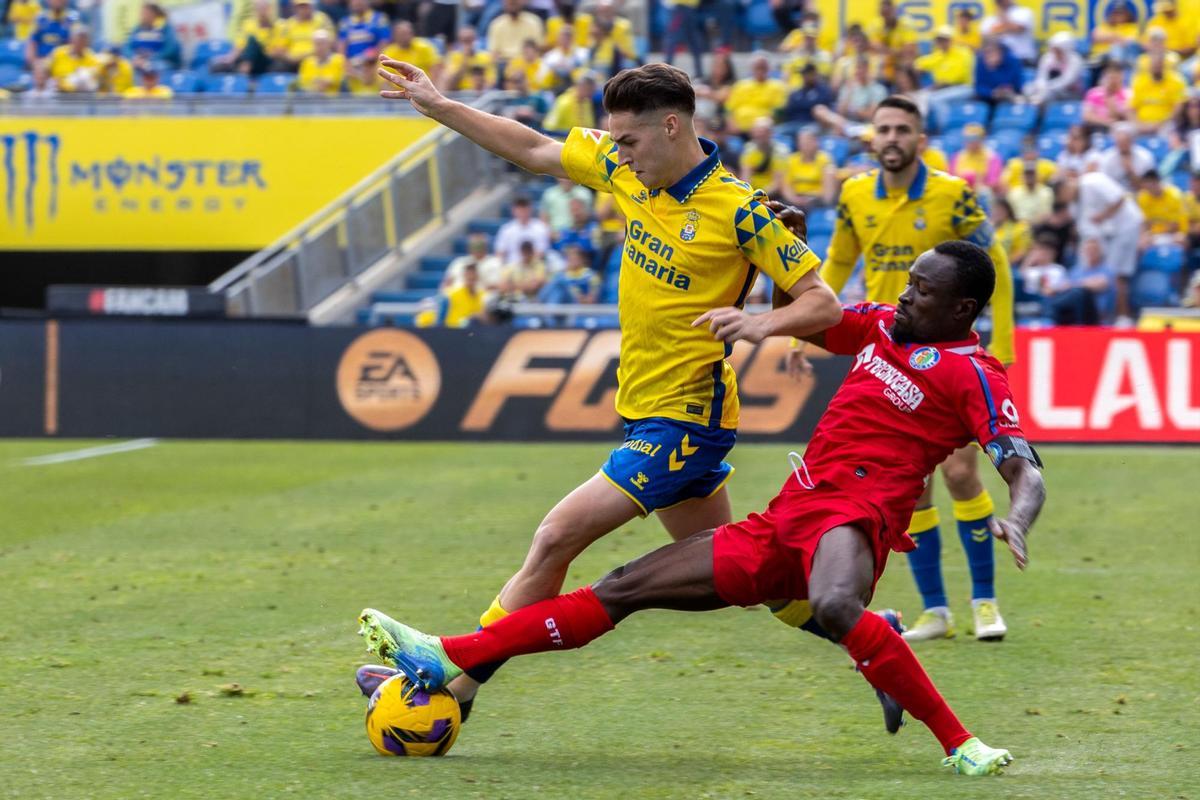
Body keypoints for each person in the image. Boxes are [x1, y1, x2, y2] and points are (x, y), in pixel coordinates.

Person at [357, 240, 1045, 777]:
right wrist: (786, 266)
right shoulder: (882, 328)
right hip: (784, 519)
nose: (904, 295)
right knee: (623, 588)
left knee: (835, 605)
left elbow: (1023, 467)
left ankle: (962, 742)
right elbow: (812, 324)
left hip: (855, 515)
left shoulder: (976, 374)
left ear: (961, 310)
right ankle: (446, 656)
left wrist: (1017, 515)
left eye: (923, 291)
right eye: (908, 282)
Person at [373, 58, 874, 726]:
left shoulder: (740, 212)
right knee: (748, 579)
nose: (620, 155)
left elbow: (824, 304)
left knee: (555, 539)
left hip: (684, 424)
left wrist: (760, 323)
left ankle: (449, 683)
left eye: (630, 141)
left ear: (671, 127)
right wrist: (440, 105)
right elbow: (531, 147)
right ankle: (878, 642)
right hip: (650, 410)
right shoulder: (625, 169)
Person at [791, 96, 1016, 643]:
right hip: (889, 349)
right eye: (883, 128)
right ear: (873, 138)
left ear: (920, 140)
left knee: (962, 473)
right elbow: (839, 261)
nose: (891, 137)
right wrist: (805, 320)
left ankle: (984, 602)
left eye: (902, 129)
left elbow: (997, 266)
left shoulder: (952, 195)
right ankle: (935, 611)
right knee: (912, 490)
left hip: (948, 359)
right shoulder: (852, 193)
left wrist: (1002, 347)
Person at [1065, 157, 1145, 323]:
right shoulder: (1074, 202)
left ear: (1069, 183)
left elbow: (1120, 198)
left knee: (1116, 274)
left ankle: (1123, 317)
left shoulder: (1093, 180)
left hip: (1126, 226)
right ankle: (1101, 318)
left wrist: (1103, 216)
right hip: (1109, 234)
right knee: (1105, 272)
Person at [915, 26, 974, 131]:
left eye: (945, 39)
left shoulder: (962, 53)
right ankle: (921, 128)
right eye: (939, 40)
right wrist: (918, 69)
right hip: (944, 89)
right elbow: (919, 63)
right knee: (920, 96)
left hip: (964, 87)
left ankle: (945, 129)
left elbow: (958, 77)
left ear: (951, 40)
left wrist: (941, 84)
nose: (942, 42)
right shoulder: (939, 55)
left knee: (936, 99)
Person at [725, 52, 788, 134]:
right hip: (738, 130)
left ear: (769, 69)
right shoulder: (740, 85)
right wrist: (732, 125)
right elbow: (729, 109)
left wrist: (760, 127)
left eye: (763, 68)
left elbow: (778, 111)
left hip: (764, 131)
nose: (760, 71)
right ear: (752, 68)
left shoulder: (778, 86)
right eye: (757, 68)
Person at [1025, 31, 1082, 107]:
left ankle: (1039, 111)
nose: (1055, 52)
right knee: (1028, 89)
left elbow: (1067, 81)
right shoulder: (1047, 57)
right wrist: (1042, 86)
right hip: (1047, 89)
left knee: (1048, 94)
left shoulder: (1075, 60)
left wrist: (1048, 87)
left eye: (1058, 50)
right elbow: (1041, 77)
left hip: (1068, 93)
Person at [1082, 62, 1131, 131]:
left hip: (1117, 129)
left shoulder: (1127, 94)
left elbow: (1125, 117)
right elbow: (1087, 116)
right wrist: (1106, 122)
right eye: (1110, 77)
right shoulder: (1093, 93)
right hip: (1096, 127)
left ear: (1121, 78)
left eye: (1115, 77)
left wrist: (1111, 103)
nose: (1112, 80)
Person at [298, 29, 346, 94]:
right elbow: (304, 84)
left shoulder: (339, 60)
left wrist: (318, 83)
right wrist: (323, 83)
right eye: (317, 44)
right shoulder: (307, 62)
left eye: (322, 43)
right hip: (312, 99)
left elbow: (339, 81)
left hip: (335, 101)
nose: (319, 47)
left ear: (329, 44)